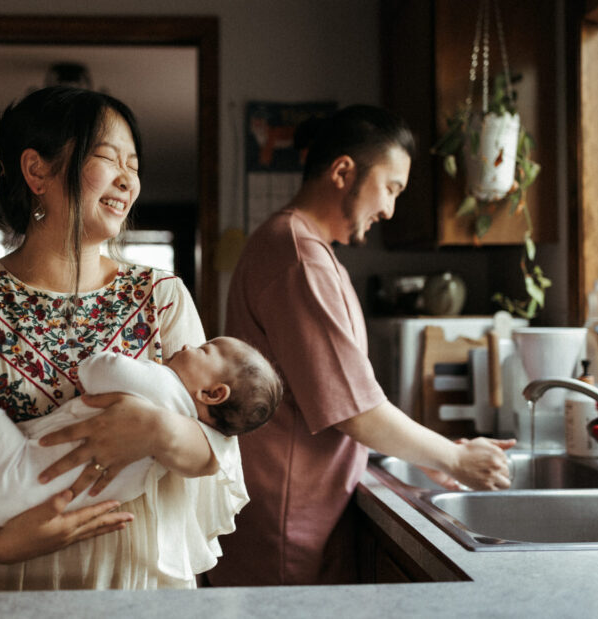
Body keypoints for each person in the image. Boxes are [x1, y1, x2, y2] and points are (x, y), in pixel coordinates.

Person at [0, 86, 252, 590]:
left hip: (137, 592)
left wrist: (156, 430)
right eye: (108, 158)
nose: (128, 180)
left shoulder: (163, 296)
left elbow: (216, 453)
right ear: (37, 171)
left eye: (134, 164)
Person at [206, 105, 515, 587]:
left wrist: (428, 453)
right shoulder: (299, 258)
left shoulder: (302, 247)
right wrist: (452, 459)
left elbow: (343, 394)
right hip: (288, 520)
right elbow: (355, 410)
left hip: (300, 508)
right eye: (390, 188)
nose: (390, 209)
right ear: (343, 171)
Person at [0, 338, 281, 590]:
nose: (188, 343)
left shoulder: (162, 385)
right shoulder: (186, 438)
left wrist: (136, 366)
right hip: (45, 506)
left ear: (213, 392)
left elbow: (96, 370)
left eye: (205, 348)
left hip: (18, 469)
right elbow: (219, 453)